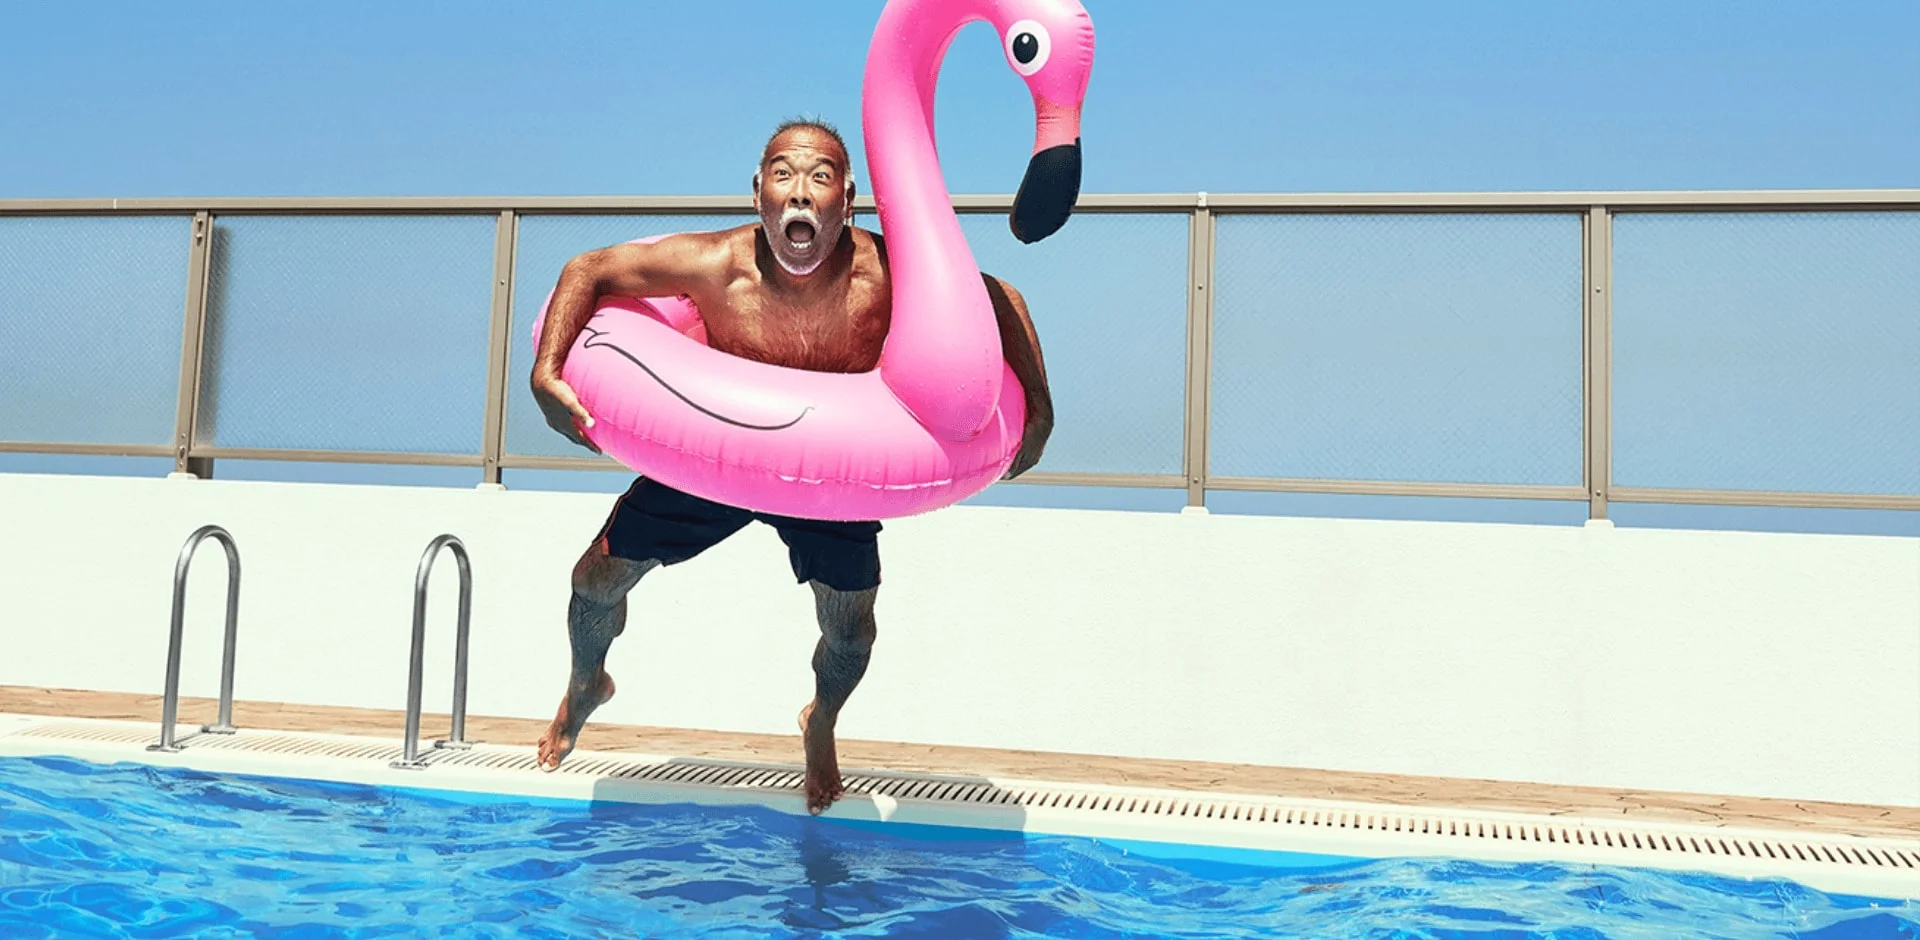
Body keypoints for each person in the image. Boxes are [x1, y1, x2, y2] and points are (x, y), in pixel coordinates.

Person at [527, 118, 1054, 814]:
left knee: (851, 632)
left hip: (833, 473)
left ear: (848, 201)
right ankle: (587, 682)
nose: (799, 193)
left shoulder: (890, 272)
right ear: (757, 194)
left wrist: (1038, 409)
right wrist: (546, 371)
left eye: (819, 177)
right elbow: (586, 270)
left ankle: (822, 720)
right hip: (714, 453)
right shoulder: (715, 265)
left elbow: (996, 296)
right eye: (783, 175)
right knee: (593, 581)